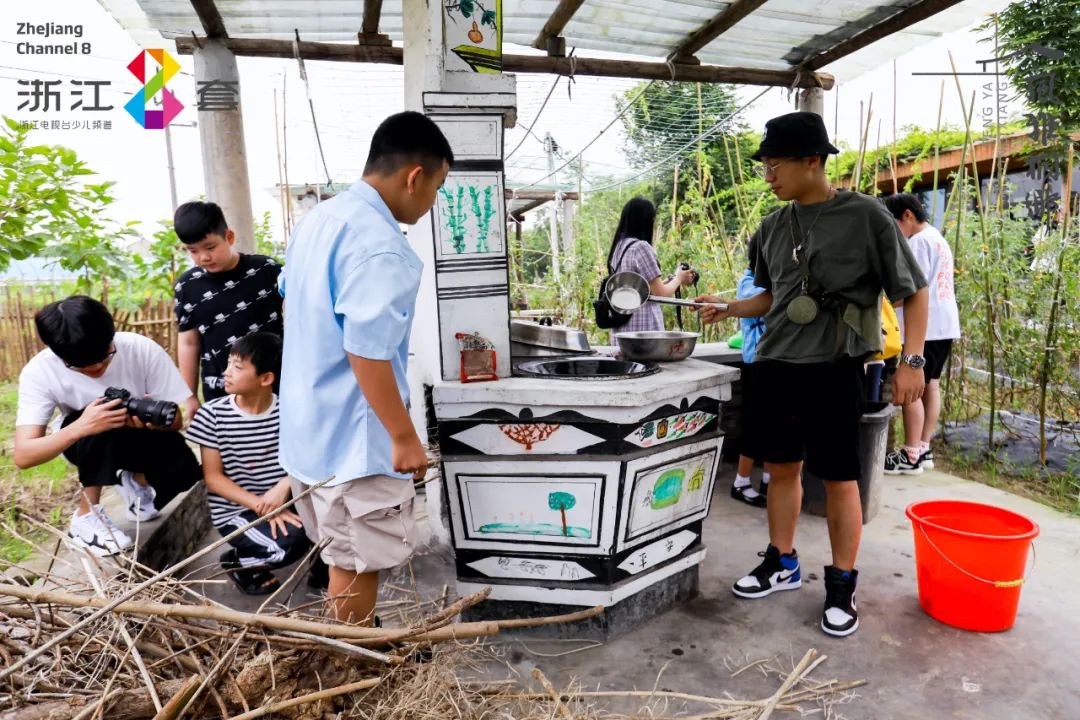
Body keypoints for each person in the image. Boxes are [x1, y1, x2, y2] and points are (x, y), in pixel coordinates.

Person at [694, 111, 929, 637]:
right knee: (780, 468)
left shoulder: (866, 217)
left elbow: (913, 292)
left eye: (775, 165)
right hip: (776, 363)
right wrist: (728, 309)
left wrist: (912, 362)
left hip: (837, 365)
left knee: (842, 479)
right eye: (764, 168)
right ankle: (782, 561)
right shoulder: (772, 227)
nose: (768, 176)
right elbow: (772, 297)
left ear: (812, 161)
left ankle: (842, 585)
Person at [277, 111, 452, 625]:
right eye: (437, 187)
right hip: (355, 438)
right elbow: (368, 352)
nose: (433, 202)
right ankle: (350, 660)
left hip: (310, 427)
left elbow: (291, 299)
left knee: (340, 552)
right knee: (355, 564)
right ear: (414, 176)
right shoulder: (381, 246)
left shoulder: (318, 221)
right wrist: (403, 437)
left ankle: (355, 639)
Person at [13, 296, 202, 556]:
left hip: (138, 438)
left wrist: (147, 423)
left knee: (187, 476)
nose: (98, 368)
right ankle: (86, 517)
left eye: (105, 356)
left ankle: (133, 481)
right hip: (84, 443)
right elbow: (24, 455)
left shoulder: (140, 349)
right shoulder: (40, 372)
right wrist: (83, 426)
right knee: (100, 417)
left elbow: (176, 421)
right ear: (57, 354)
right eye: (82, 367)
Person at [186, 332, 325, 595]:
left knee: (333, 522)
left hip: (283, 500)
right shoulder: (212, 415)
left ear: (266, 378)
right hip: (238, 510)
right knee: (288, 545)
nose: (226, 372)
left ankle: (322, 568)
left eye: (237, 367)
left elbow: (310, 459)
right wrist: (263, 506)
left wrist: (283, 486)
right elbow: (214, 479)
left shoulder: (290, 412)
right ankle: (239, 562)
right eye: (228, 364)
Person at [173, 200, 284, 405]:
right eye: (193, 251)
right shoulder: (188, 285)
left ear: (229, 237)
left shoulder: (266, 270)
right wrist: (189, 397)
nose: (204, 257)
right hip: (221, 392)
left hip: (274, 385)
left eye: (210, 247)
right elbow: (188, 342)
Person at [882, 193, 961, 475]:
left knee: (912, 387)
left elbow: (909, 291)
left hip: (923, 329)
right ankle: (923, 448)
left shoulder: (916, 242)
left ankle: (911, 453)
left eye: (893, 224)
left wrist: (880, 305)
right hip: (944, 325)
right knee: (931, 385)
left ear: (907, 215)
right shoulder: (937, 238)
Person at [606, 197, 697, 333]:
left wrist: (671, 279)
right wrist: (679, 278)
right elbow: (660, 293)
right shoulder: (641, 247)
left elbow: (644, 290)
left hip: (622, 329)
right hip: (643, 329)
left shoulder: (620, 246)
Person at [731, 254, 770, 508]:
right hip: (756, 362)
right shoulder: (749, 282)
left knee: (774, 424)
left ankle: (769, 477)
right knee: (755, 424)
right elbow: (761, 301)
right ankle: (741, 481)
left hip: (772, 361)